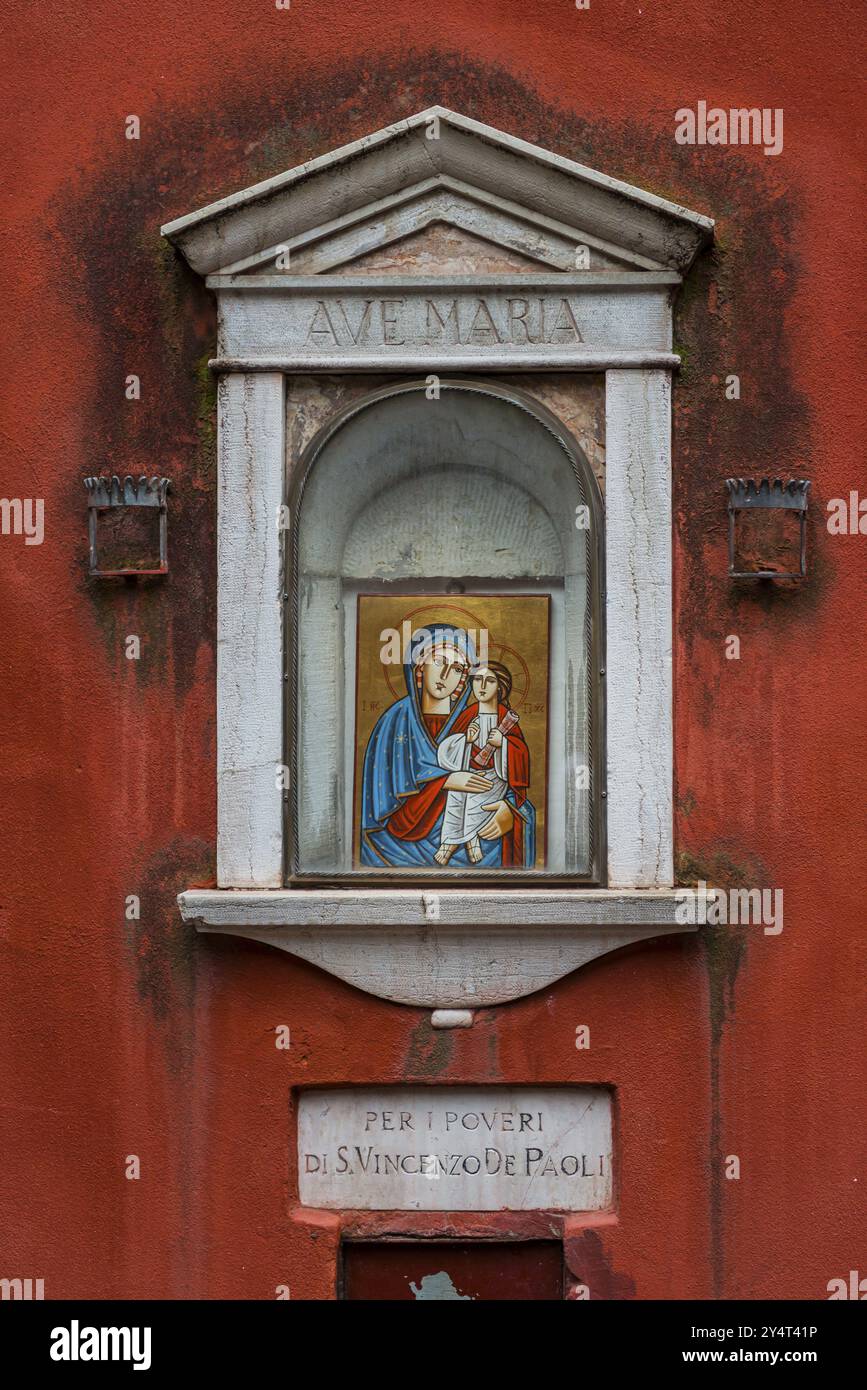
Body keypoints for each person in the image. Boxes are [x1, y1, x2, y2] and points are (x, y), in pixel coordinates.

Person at [360, 627, 535, 869]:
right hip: (399, 849)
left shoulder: (470, 717)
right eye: (439, 661)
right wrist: (445, 781)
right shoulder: (396, 720)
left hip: (483, 835)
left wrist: (510, 814)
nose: (445, 675)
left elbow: (509, 779)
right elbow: (379, 804)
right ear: (420, 666)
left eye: (457, 669)